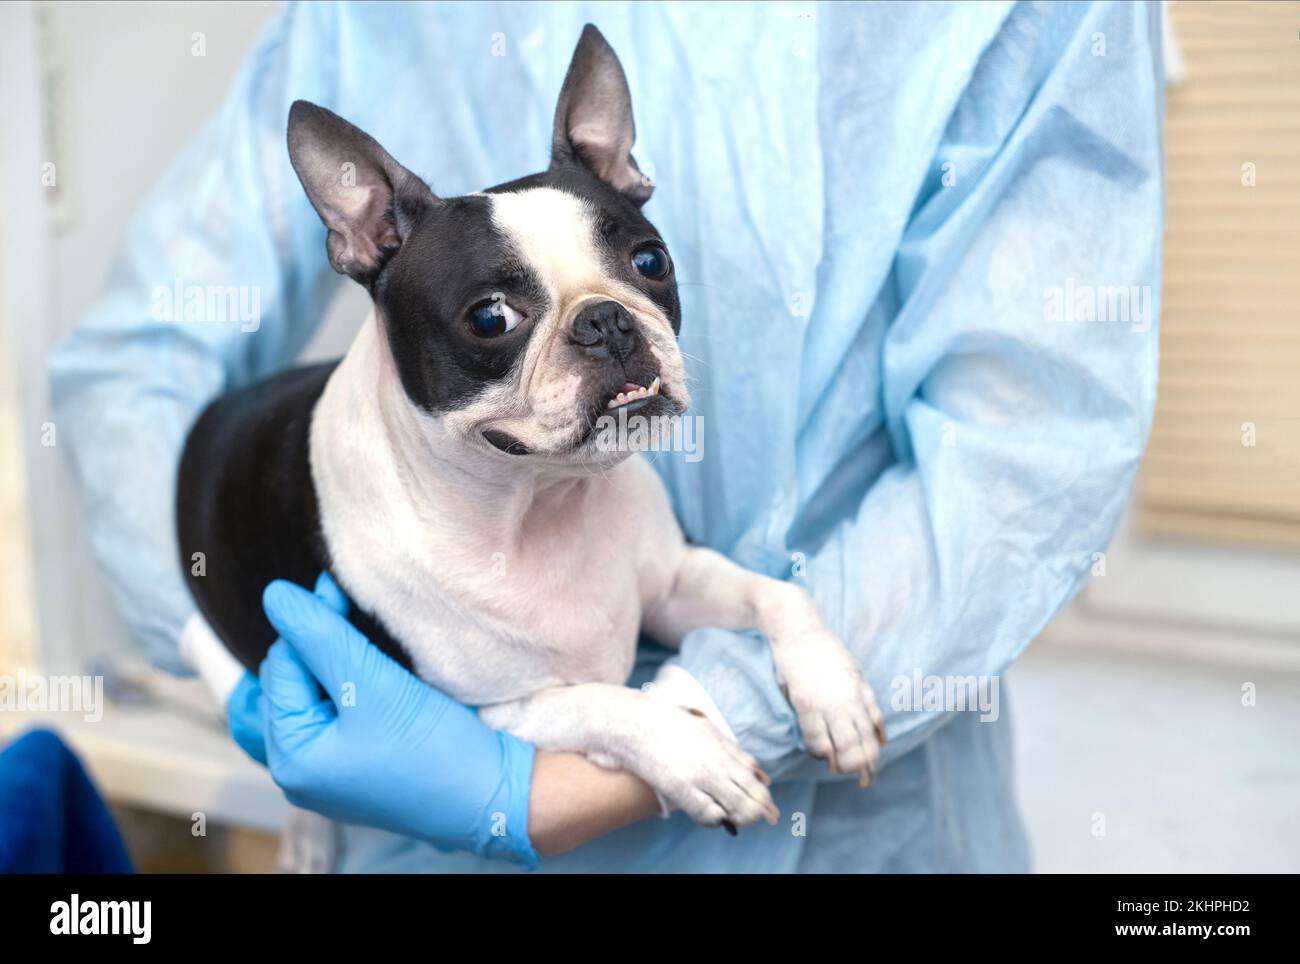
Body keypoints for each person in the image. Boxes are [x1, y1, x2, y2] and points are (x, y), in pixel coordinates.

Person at [48, 1, 1163, 873]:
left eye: (638, 267)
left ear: (623, 172)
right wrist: (210, 654)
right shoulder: (362, 15)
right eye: (495, 319)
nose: (610, 331)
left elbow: (1026, 451)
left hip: (866, 829)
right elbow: (130, 368)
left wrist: (704, 714)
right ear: (365, 238)